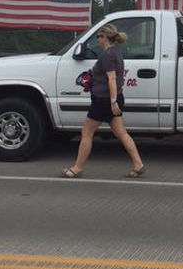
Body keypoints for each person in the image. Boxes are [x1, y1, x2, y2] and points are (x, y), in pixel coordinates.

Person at [61, 24, 145, 178]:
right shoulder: (116, 52)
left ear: (105, 38)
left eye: (99, 37)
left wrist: (113, 102)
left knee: (86, 132)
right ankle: (138, 164)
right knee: (121, 132)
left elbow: (111, 78)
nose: (97, 39)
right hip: (115, 97)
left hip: (104, 100)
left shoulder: (107, 55)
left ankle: (77, 168)